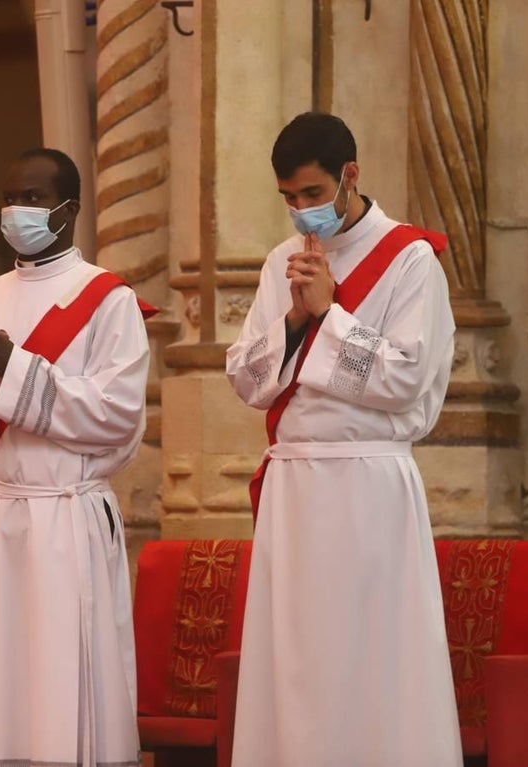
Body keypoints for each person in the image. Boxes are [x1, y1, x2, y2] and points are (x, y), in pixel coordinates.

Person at [224, 112, 461, 766]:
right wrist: (296, 317)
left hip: (367, 484)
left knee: (369, 655)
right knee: (294, 659)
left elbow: (406, 380)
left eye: (312, 194)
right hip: (293, 488)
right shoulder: (282, 263)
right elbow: (246, 378)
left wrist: (330, 315)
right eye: (289, 200)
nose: (301, 213)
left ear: (349, 175)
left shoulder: (412, 259)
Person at [0, 147, 151, 766]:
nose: (15, 211)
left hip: (66, 519)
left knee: (61, 683)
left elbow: (116, 419)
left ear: (69, 209)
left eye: (30, 198)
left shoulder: (109, 301)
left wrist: (12, 369)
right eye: (9, 197)